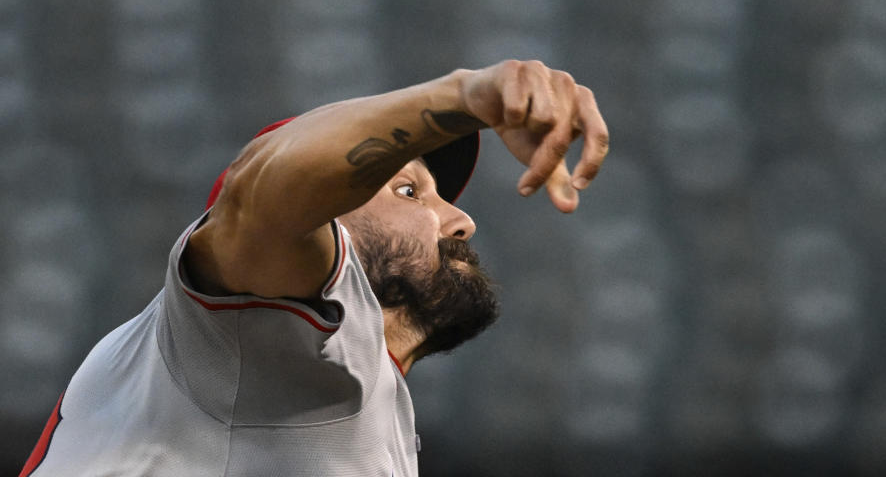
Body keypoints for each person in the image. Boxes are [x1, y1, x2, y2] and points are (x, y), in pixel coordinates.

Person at [20, 60, 609, 477]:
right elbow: (264, 198)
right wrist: (464, 96)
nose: (460, 221)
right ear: (322, 227)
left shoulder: (353, 387)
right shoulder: (246, 339)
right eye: (410, 192)